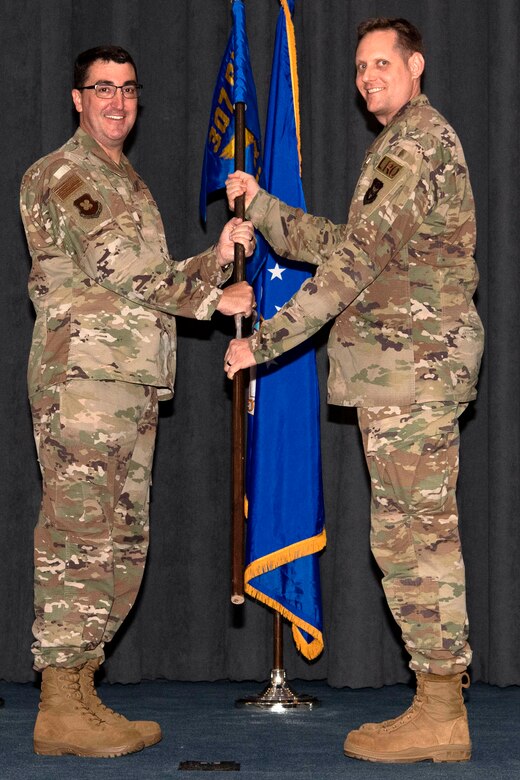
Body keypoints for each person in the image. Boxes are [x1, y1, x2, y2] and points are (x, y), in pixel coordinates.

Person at [224, 17, 484, 764]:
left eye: (382, 63)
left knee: (417, 541)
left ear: (416, 65)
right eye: (361, 67)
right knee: (404, 537)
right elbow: (348, 243)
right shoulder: (397, 144)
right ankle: (436, 703)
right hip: (398, 376)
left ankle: (441, 710)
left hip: (414, 374)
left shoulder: (416, 144)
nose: (368, 77)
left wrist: (262, 343)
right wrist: (264, 206)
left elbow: (350, 267)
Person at [20, 44, 255, 758]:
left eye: (127, 88)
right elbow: (122, 269)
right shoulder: (65, 174)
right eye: (102, 88)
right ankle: (58, 704)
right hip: (83, 383)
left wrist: (217, 257)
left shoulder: (128, 181)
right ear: (77, 99)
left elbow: (148, 276)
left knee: (121, 541)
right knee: (79, 536)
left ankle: (81, 690)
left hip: (129, 382)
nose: (117, 101)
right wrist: (214, 300)